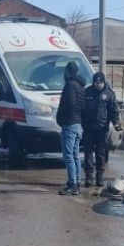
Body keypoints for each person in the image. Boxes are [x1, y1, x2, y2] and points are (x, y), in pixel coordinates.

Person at [81, 72, 122, 188]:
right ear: (93, 82)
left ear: (104, 82)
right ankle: (89, 178)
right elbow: (81, 109)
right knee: (88, 154)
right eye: (96, 82)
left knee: (100, 154)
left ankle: (99, 178)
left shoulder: (109, 94)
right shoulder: (87, 92)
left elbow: (114, 112)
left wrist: (116, 123)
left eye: (101, 82)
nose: (99, 85)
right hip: (88, 129)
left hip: (102, 129)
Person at [55, 61, 86, 195]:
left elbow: (68, 105)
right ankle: (77, 182)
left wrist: (61, 118)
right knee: (75, 155)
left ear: (67, 72)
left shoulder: (69, 86)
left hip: (69, 124)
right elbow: (81, 106)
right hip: (78, 124)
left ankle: (72, 184)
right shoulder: (80, 86)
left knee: (68, 156)